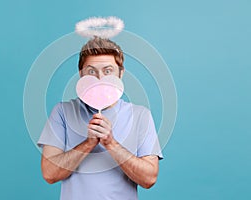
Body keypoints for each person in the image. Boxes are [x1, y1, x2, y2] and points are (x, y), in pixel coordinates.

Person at [37, 36, 163, 200]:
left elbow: (149, 179)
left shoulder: (141, 115)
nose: (99, 78)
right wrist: (88, 143)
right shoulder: (63, 111)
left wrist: (110, 143)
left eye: (108, 71)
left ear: (121, 74)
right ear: (81, 75)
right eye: (91, 71)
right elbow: (49, 174)